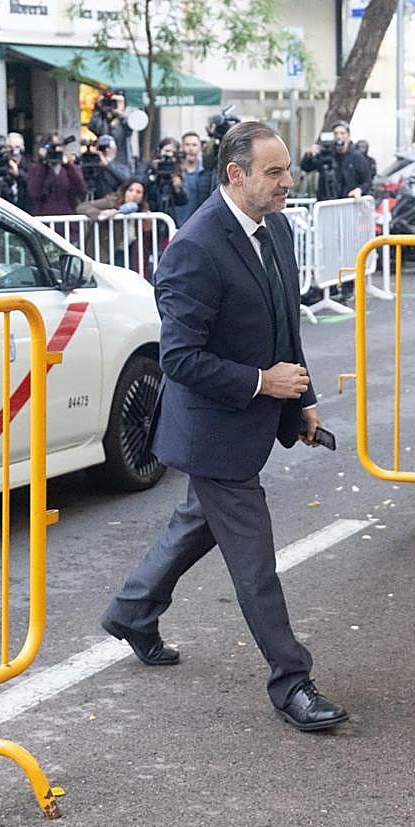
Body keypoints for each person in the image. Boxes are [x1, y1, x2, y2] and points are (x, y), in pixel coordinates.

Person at [99, 121, 347, 733]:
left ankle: (132, 610)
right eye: (274, 173)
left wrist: (304, 401)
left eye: (287, 169)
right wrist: (265, 383)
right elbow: (179, 358)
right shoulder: (194, 246)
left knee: (196, 522)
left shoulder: (276, 227)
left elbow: (286, 328)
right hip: (212, 432)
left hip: (250, 421)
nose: (288, 182)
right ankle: (292, 681)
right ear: (236, 175)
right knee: (254, 558)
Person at [77, 176, 151, 269]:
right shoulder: (112, 201)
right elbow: (82, 207)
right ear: (124, 192)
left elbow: (147, 231)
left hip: (126, 251)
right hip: (104, 251)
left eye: (138, 192)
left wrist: (148, 219)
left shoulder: (142, 209)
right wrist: (101, 213)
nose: (134, 195)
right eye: (130, 190)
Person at [299, 121, 371, 200]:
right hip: (326, 202)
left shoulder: (357, 157)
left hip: (348, 202)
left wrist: (359, 190)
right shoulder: (325, 154)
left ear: (348, 136)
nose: (339, 136)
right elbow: (305, 167)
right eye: (336, 133)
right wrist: (309, 155)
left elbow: (367, 181)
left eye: (342, 133)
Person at [27, 135, 86, 216]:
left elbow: (81, 190)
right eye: (52, 147)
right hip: (44, 219)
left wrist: (68, 165)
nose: (55, 150)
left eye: (59, 146)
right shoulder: (36, 168)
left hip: (68, 219)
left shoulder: (70, 168)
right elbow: (34, 193)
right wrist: (44, 164)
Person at [175, 130, 216, 226]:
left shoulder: (207, 172)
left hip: (199, 225)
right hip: (177, 225)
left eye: (194, 145)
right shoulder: (175, 171)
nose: (191, 149)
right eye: (187, 145)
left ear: (200, 148)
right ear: (182, 147)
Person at [87, 90, 134, 170]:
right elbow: (92, 126)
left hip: (122, 165)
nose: (112, 104)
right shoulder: (103, 122)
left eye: (115, 102)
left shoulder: (124, 124)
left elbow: (131, 126)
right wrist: (97, 107)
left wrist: (120, 113)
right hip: (103, 165)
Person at [146, 136, 188, 222]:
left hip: (170, 218)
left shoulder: (177, 172)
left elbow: (183, 201)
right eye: (167, 151)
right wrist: (154, 172)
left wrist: (177, 188)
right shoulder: (148, 168)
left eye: (173, 153)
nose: (169, 155)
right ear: (159, 151)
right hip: (151, 217)